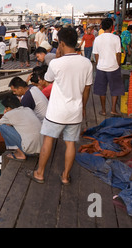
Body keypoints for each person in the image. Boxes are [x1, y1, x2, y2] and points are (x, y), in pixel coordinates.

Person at [25, 27, 93, 186]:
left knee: (48, 140)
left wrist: (56, 56)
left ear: (61, 43)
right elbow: (87, 88)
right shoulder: (86, 63)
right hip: (75, 111)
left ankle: (40, 173)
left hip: (56, 112)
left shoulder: (56, 63)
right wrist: (83, 107)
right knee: (70, 143)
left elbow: (48, 80)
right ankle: (65, 176)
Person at [92, 18, 125, 117]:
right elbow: (118, 53)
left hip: (101, 67)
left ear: (102, 26)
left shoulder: (97, 39)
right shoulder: (116, 38)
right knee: (115, 89)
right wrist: (118, 64)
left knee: (102, 90)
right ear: (111, 27)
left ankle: (103, 110)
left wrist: (99, 64)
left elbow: (96, 54)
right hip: (113, 67)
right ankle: (113, 110)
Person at [0, 94, 43, 161]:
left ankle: (20, 154)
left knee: (3, 127)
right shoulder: (28, 109)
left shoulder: (9, 114)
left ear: (8, 108)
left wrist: (5, 114)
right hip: (42, 148)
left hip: (30, 151)